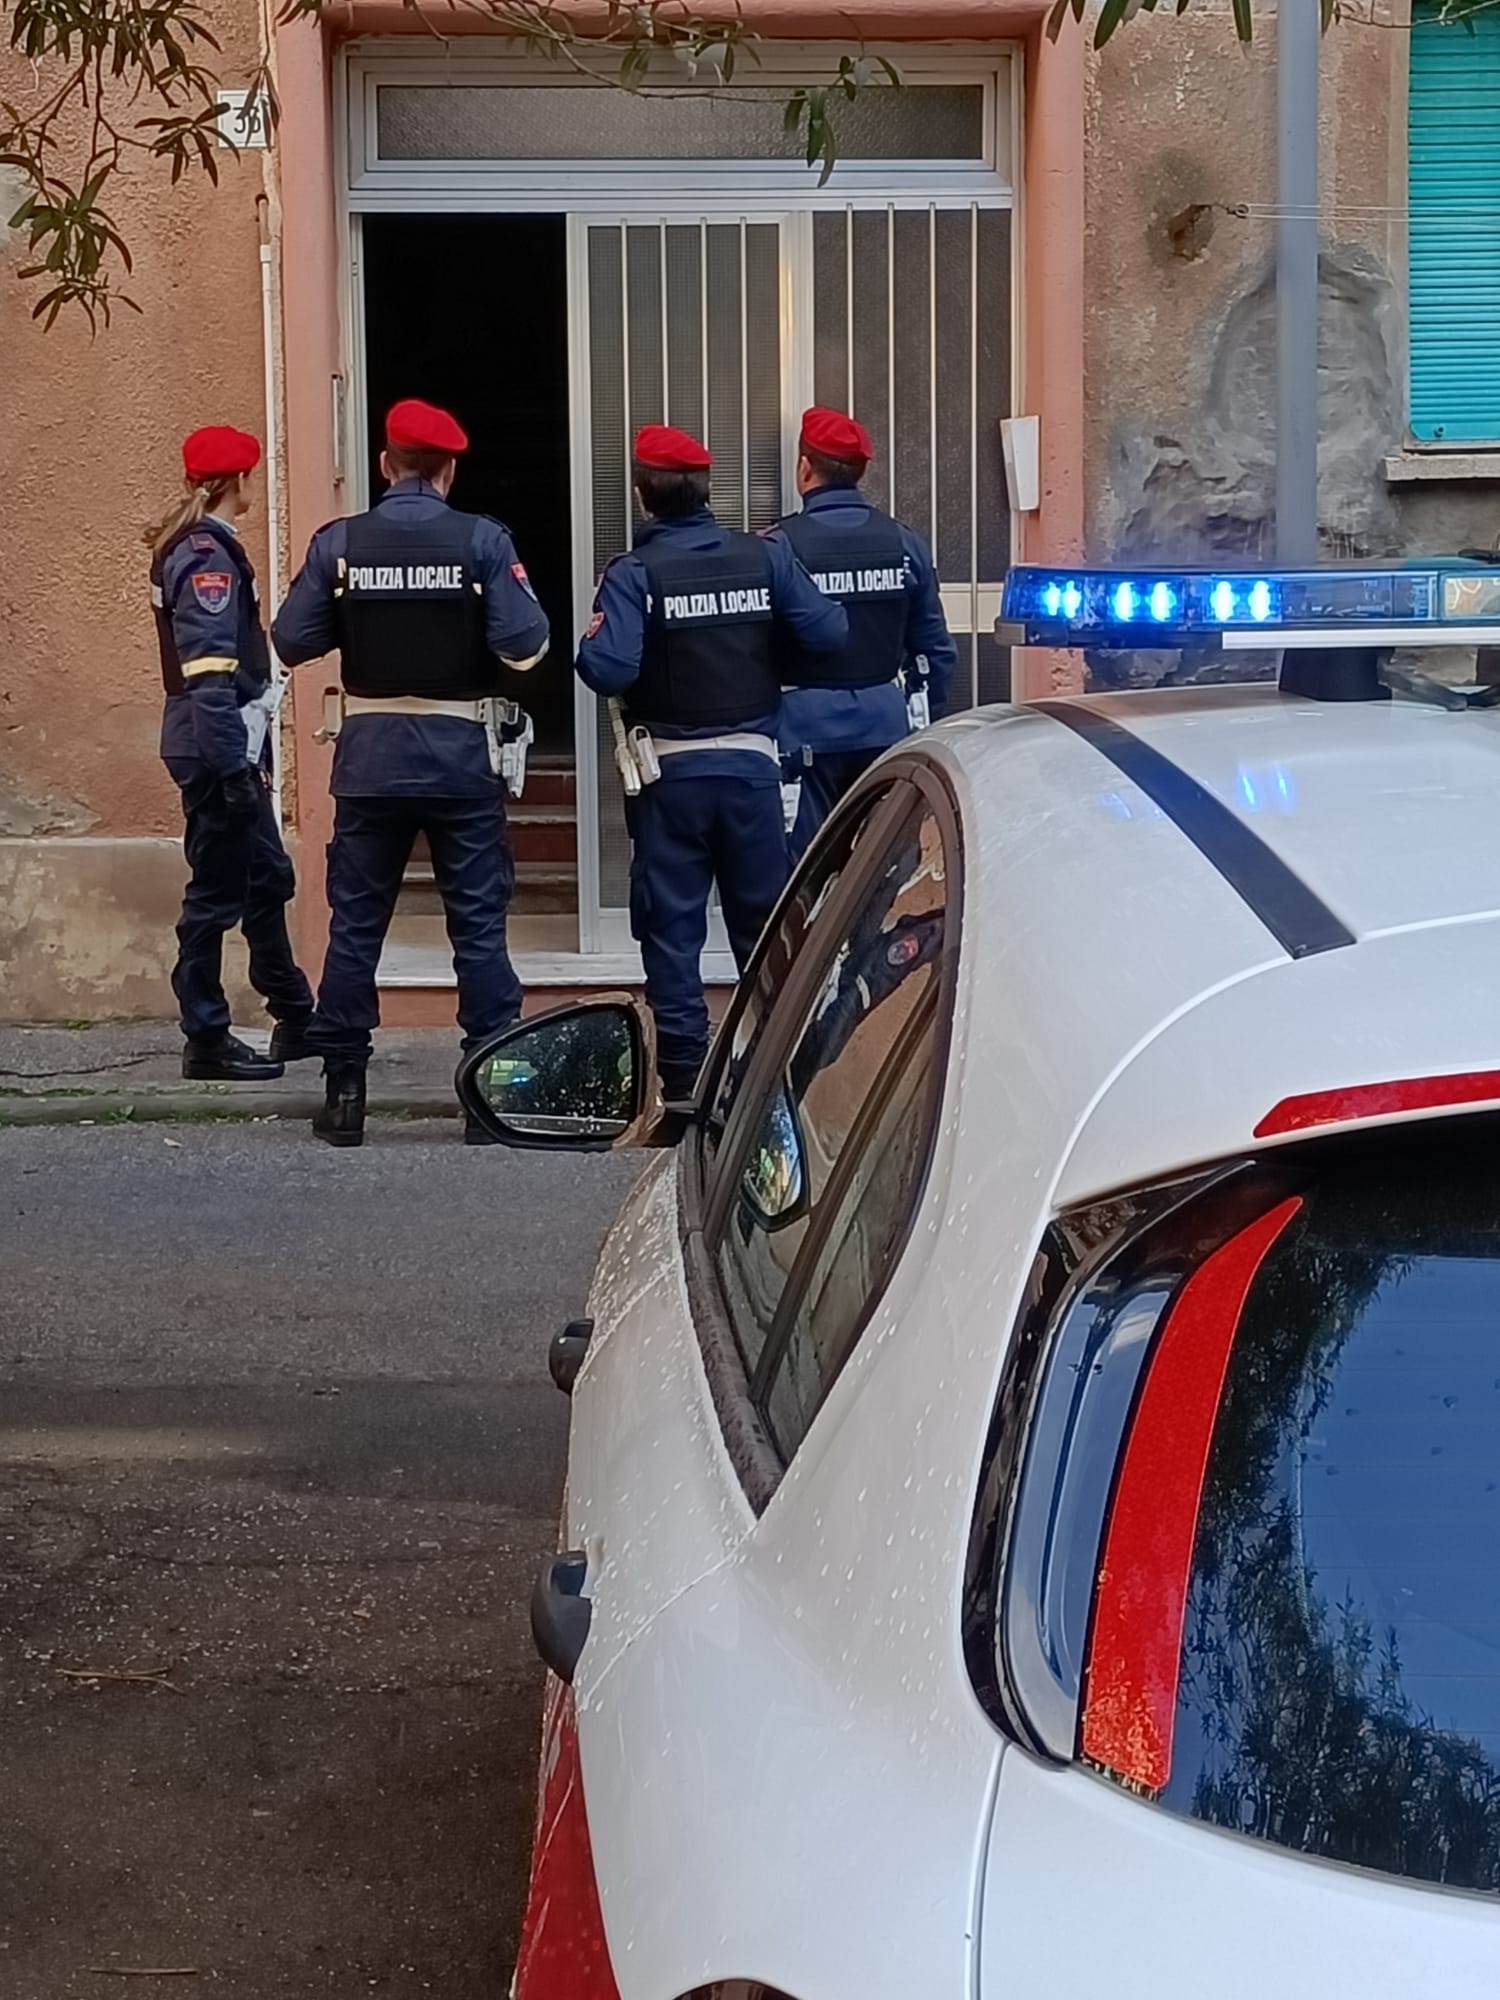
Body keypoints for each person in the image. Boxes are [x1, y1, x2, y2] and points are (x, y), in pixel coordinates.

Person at [272, 398, 550, 1148]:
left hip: (369, 765)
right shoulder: (483, 541)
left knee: (356, 927)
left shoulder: (341, 545)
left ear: (386, 463)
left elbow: (291, 640)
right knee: (479, 929)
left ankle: (344, 1093)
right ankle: (487, 1102)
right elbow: (528, 648)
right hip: (462, 763)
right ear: (449, 471)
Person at [576, 424, 847, 1108]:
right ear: (706, 491)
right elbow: (829, 632)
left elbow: (606, 668)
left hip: (672, 780)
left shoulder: (635, 574)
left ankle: (687, 1084)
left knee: (673, 932)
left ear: (644, 496)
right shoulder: (765, 558)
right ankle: (778, 1078)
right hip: (756, 775)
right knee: (765, 928)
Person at [147, 424, 314, 1080]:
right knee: (215, 896)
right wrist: (232, 769)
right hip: (217, 748)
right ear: (237, 481)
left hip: (224, 745)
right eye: (250, 475)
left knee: (267, 878)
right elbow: (209, 673)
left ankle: (296, 1017)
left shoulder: (199, 547)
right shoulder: (207, 557)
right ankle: (207, 1037)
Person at [767, 407, 957, 860]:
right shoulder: (904, 542)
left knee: (803, 872)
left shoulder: (778, 546)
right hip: (884, 725)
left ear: (804, 467)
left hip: (804, 731)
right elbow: (935, 649)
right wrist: (917, 720)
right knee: (879, 869)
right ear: (860, 471)